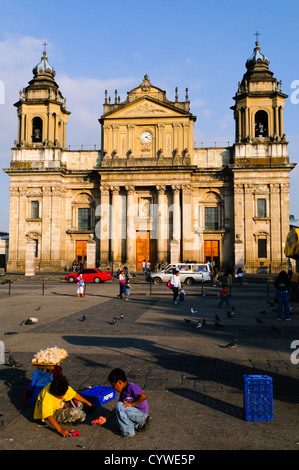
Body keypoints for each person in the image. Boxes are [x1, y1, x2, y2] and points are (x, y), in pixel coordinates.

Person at [93, 368, 150, 437]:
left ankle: (128, 432)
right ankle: (140, 424)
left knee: (120, 407)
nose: (114, 388)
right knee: (120, 410)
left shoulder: (132, 386)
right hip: (136, 413)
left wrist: (131, 404)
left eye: (114, 385)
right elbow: (118, 409)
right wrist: (106, 418)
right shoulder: (123, 393)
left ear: (119, 382)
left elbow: (143, 396)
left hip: (142, 413)